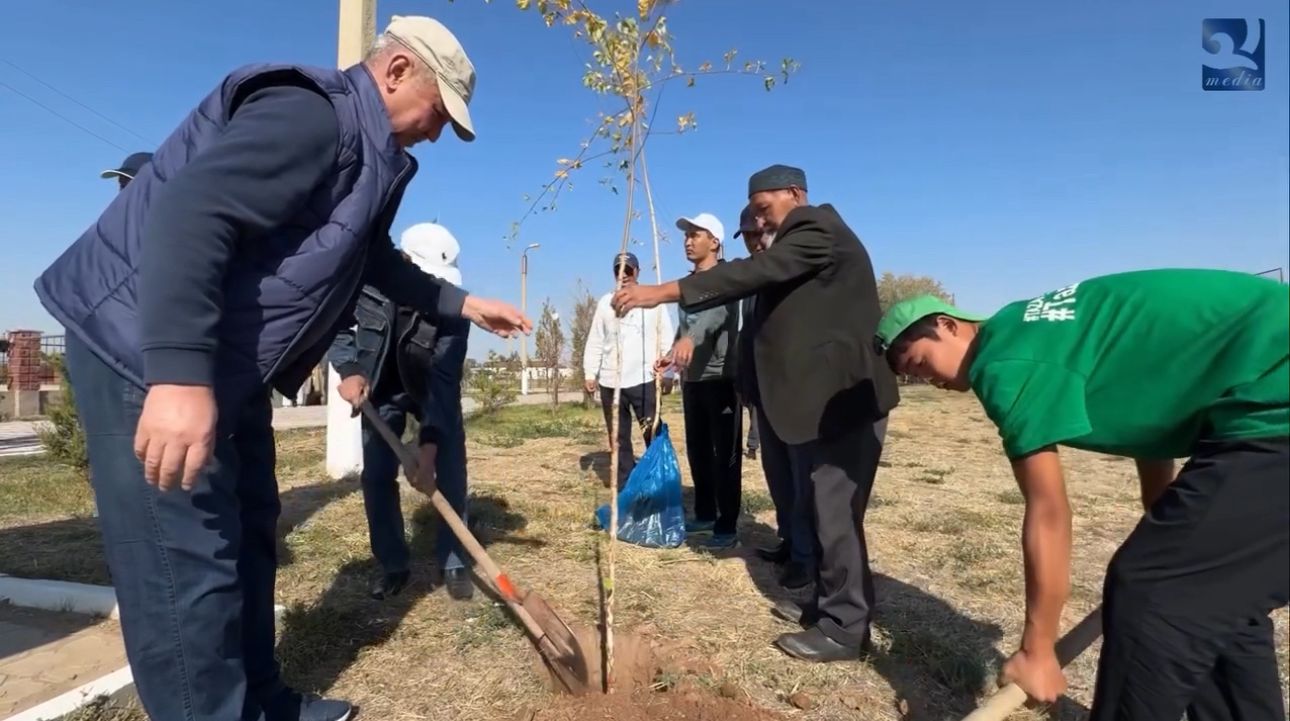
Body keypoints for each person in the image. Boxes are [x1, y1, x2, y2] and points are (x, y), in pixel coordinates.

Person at [32, 16, 530, 721]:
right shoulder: (314, 116)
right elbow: (192, 210)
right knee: (188, 570)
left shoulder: (368, 155)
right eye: (438, 111)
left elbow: (372, 260)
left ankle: (263, 701)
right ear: (395, 73)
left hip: (228, 368)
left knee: (251, 530)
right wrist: (175, 376)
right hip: (142, 351)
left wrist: (464, 302)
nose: (437, 132)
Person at [875, 269, 1288, 721]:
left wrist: (1037, 650)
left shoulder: (1005, 362)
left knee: (1154, 594)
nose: (927, 379)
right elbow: (1149, 426)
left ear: (948, 325)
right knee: (1214, 596)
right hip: (1263, 398)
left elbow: (1048, 511)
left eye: (917, 362)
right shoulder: (1034, 329)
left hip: (1275, 403)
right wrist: (1166, 519)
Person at [612, 164, 899, 662]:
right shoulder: (801, 245)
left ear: (795, 194)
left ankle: (845, 630)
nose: (761, 224)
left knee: (836, 515)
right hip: (821, 404)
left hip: (847, 401)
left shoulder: (817, 226)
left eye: (765, 210)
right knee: (819, 510)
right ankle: (825, 605)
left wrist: (657, 293)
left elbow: (751, 272)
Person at [328, 222, 473, 602]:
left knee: (451, 471)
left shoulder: (456, 307)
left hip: (430, 389)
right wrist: (348, 370)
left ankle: (455, 559)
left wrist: (428, 452)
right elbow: (333, 322)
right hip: (381, 388)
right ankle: (392, 564)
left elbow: (445, 383)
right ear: (405, 262)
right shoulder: (365, 287)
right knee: (376, 476)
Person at [731, 204, 815, 589]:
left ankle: (806, 558)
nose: (753, 242)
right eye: (746, 236)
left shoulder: (790, 270)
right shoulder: (753, 279)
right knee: (778, 476)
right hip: (763, 396)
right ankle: (789, 541)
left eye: (757, 234)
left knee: (802, 481)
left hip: (794, 396)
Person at [658, 212, 742, 550]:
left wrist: (691, 339)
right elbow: (685, 326)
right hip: (692, 381)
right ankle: (705, 512)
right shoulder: (687, 284)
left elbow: (715, 314)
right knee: (698, 451)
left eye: (696, 234)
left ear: (715, 242)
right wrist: (670, 355)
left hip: (721, 379)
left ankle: (727, 524)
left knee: (725, 455)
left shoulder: (726, 278)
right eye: (686, 235)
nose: (688, 240)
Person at [583, 251, 674, 488]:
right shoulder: (606, 303)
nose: (623, 275)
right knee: (618, 439)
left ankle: (661, 481)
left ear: (637, 272)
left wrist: (668, 373)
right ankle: (625, 487)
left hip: (643, 379)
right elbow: (596, 339)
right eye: (618, 270)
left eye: (628, 270)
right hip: (611, 384)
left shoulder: (651, 300)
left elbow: (666, 336)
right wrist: (590, 373)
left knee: (653, 433)